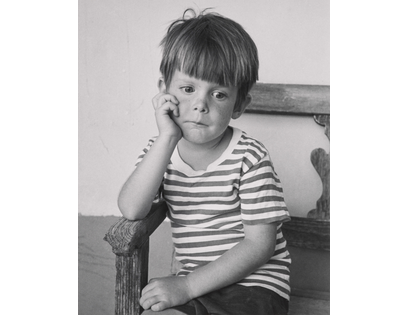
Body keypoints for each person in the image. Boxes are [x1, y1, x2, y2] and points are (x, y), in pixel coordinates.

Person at [117, 9, 291, 315]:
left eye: (219, 94)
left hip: (255, 287)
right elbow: (132, 208)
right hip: (195, 286)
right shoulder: (160, 151)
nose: (200, 104)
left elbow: (259, 246)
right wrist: (167, 138)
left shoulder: (249, 156)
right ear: (164, 91)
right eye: (187, 89)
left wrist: (186, 287)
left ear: (239, 105)